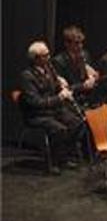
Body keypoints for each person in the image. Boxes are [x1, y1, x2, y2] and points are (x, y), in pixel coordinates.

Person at [19, 41, 84, 174]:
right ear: (36, 58)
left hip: (53, 110)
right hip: (37, 114)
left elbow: (55, 86)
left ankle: (64, 157)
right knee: (59, 129)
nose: (49, 58)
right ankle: (54, 162)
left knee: (77, 123)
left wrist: (61, 84)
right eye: (45, 55)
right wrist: (59, 97)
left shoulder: (49, 68)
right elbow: (36, 102)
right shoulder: (27, 76)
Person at [51, 25, 99, 102]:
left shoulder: (85, 55)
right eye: (77, 43)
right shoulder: (58, 61)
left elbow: (91, 76)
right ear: (67, 44)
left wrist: (94, 77)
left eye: (81, 43)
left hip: (88, 99)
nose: (80, 46)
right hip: (71, 102)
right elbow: (60, 88)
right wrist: (83, 86)